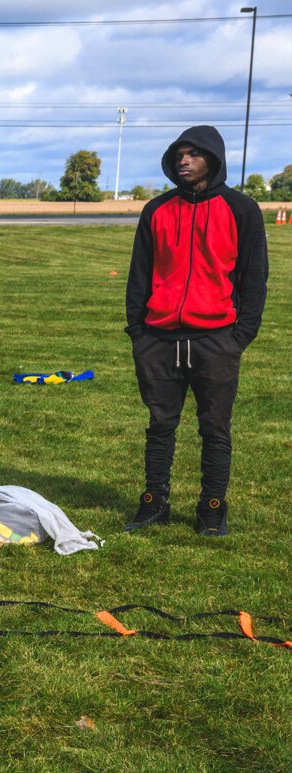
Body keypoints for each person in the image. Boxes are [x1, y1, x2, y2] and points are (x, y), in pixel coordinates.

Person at [123, 125, 268, 537]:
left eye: (194, 154)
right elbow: (139, 275)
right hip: (158, 338)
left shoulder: (241, 210)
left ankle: (212, 508)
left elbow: (254, 279)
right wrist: (139, 330)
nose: (184, 160)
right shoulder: (157, 210)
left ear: (214, 159)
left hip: (216, 339)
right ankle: (153, 503)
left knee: (215, 427)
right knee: (160, 425)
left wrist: (239, 336)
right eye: (179, 154)